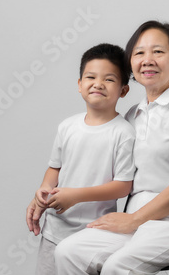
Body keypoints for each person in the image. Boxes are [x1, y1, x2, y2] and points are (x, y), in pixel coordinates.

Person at [54, 20, 169, 274]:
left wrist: (134, 219)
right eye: (139, 53)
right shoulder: (132, 115)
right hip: (137, 224)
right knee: (67, 252)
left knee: (118, 267)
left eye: (158, 52)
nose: (147, 60)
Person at [25, 43, 136, 275]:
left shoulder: (123, 132)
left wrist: (76, 196)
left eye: (109, 79)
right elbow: (54, 168)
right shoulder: (67, 126)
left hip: (94, 233)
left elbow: (123, 186)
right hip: (54, 229)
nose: (98, 84)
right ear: (79, 84)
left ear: (124, 90)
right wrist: (44, 189)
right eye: (91, 77)